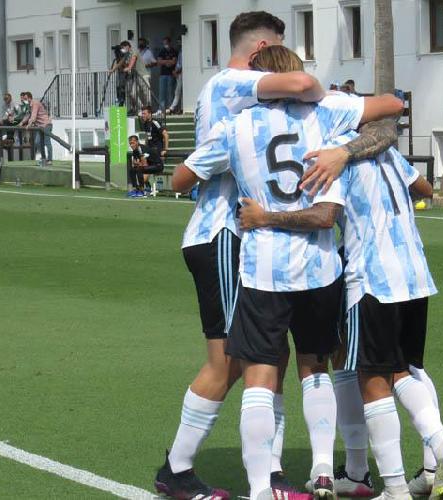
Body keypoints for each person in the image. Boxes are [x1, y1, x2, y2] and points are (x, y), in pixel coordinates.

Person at [172, 44, 407, 500]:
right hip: (320, 265)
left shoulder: (236, 125)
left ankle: (262, 488)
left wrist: (233, 175)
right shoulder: (328, 113)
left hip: (263, 267)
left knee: (259, 375)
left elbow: (181, 178)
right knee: (316, 365)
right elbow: (392, 108)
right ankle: (322, 469)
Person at [152, 11, 336, 500]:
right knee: (234, 360)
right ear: (259, 53)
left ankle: (269, 476)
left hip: (240, 238)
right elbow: (303, 81)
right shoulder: (236, 83)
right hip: (224, 233)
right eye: (276, 48)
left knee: (267, 355)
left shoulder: (231, 91)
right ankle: (179, 468)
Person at [18, 91, 53, 166]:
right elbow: (28, 115)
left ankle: (50, 159)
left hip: (46, 124)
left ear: (30, 98)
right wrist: (22, 122)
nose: (25, 100)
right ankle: (44, 158)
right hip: (40, 127)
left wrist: (29, 124)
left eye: (26, 99)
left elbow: (33, 115)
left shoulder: (35, 103)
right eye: (24, 99)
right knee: (37, 142)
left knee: (47, 142)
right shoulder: (29, 105)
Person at [110, 41, 140, 113]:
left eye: (123, 47)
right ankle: (134, 108)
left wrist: (128, 68)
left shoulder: (133, 52)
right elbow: (120, 63)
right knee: (130, 93)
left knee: (133, 93)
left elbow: (128, 63)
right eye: (121, 48)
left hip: (135, 75)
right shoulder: (126, 54)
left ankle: (140, 109)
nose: (122, 49)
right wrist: (113, 69)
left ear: (128, 46)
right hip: (129, 76)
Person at [156, 37, 178, 114]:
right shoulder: (162, 51)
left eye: (166, 43)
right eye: (164, 43)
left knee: (170, 92)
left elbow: (174, 62)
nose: (165, 45)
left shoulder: (174, 51)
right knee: (162, 92)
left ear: (169, 43)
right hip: (163, 74)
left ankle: (170, 109)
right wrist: (168, 61)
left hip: (171, 74)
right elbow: (158, 62)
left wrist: (164, 62)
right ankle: (161, 109)